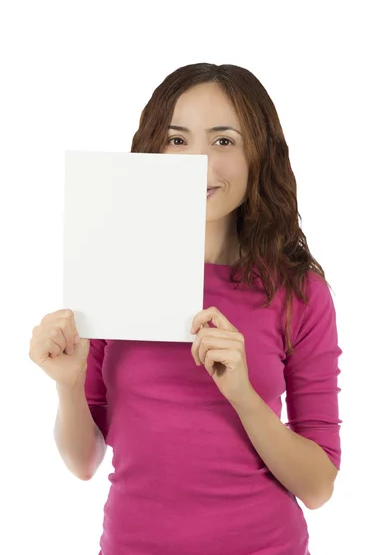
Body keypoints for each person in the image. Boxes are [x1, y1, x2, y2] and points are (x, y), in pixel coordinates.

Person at [29, 63, 343, 555]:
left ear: (258, 154)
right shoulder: (112, 273)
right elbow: (84, 462)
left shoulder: (299, 294)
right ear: (153, 150)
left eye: (223, 141)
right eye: (178, 140)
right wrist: (68, 386)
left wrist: (242, 395)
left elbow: (319, 486)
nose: (198, 161)